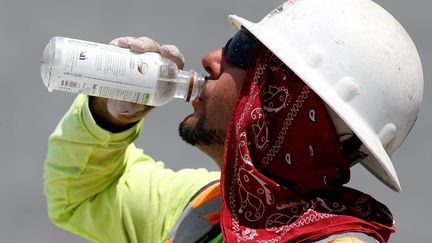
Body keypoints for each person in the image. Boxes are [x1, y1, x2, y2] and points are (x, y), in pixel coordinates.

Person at [43, 0, 423, 242]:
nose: (210, 58)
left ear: (283, 106)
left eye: (241, 50)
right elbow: (84, 197)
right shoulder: (206, 210)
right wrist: (107, 116)